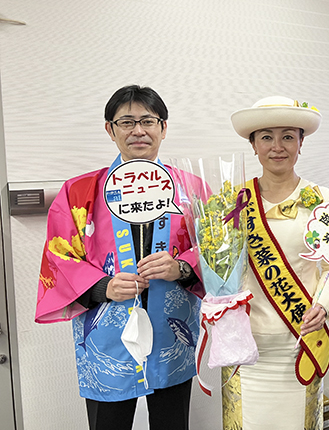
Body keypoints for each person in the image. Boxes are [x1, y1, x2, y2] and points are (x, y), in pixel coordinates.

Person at [35, 85, 205, 430]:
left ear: (164, 127)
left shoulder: (192, 189)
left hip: (172, 329)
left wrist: (182, 267)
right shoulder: (79, 191)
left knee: (172, 422)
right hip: (106, 334)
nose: (138, 130)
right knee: (107, 423)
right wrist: (102, 287)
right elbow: (60, 256)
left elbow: (217, 249)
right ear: (110, 129)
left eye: (148, 121)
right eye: (126, 121)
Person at [228, 96, 329, 430]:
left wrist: (324, 304)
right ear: (253, 144)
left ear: (301, 143)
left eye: (287, 137)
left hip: (301, 340)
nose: (277, 146)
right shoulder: (234, 202)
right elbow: (220, 268)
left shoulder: (323, 199)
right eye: (266, 137)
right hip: (247, 345)